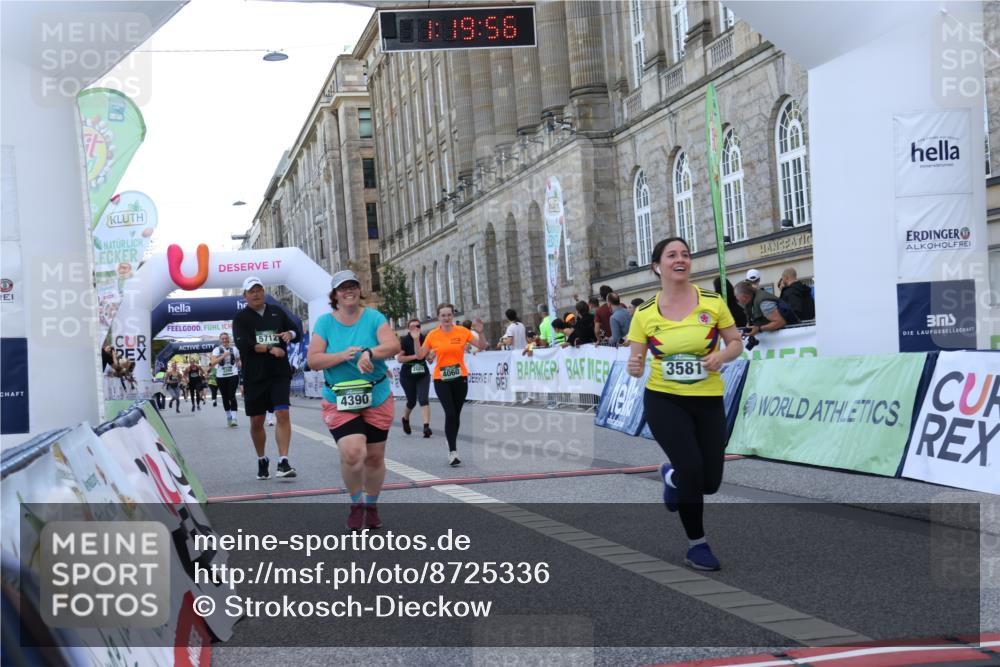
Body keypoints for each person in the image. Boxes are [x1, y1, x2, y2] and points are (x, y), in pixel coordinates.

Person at [627, 237, 743, 571]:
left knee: (709, 483)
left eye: (685, 255)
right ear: (657, 266)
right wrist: (634, 366)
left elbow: (736, 342)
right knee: (693, 468)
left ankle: (673, 478)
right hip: (664, 400)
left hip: (707, 400)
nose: (681, 260)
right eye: (672, 255)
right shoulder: (644, 313)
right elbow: (635, 360)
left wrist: (722, 354)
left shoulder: (713, 302)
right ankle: (697, 545)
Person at [308, 270, 401, 531]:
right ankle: (356, 503)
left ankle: (371, 505)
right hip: (339, 397)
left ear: (360, 291)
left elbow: (393, 346)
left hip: (376, 394)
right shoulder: (325, 323)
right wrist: (342, 355)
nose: (348, 291)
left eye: (353, 286)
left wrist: (370, 352)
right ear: (335, 295)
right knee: (352, 453)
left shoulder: (373, 317)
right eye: (342, 288)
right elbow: (314, 360)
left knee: (374, 457)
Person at [232, 276, 302, 481]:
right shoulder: (241, 318)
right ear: (245, 295)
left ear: (264, 291)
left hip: (279, 373)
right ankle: (262, 459)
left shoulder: (276, 311)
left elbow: (296, 330)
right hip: (255, 376)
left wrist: (289, 333)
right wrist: (271, 348)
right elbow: (243, 343)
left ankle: (283, 461)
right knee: (257, 421)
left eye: (259, 289)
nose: (256, 293)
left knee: (282, 413)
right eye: (251, 291)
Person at [417, 303, 488, 466]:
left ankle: (450, 441)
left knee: (456, 415)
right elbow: (421, 355)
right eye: (443, 315)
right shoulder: (433, 335)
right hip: (441, 379)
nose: (446, 318)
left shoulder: (462, 331)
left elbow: (482, 346)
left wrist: (480, 333)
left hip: (460, 377)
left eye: (449, 315)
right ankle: (453, 451)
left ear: (453, 316)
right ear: (438, 317)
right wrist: (416, 339)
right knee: (449, 414)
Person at [396, 318, 432, 438]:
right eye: (412, 327)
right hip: (407, 375)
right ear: (408, 328)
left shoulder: (424, 338)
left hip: (423, 374)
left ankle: (426, 426)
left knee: (423, 399)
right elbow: (400, 358)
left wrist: (429, 357)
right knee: (411, 401)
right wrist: (415, 356)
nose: (415, 328)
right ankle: (405, 419)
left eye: (417, 326)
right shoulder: (405, 340)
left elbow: (428, 354)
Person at [211, 332, 242, 428]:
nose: (225, 340)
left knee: (232, 395)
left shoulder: (235, 349)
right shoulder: (216, 350)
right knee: (225, 397)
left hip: (233, 374)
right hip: (221, 376)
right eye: (223, 338)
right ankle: (229, 416)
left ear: (229, 339)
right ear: (220, 340)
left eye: (226, 338)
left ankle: (234, 418)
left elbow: (238, 360)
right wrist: (223, 356)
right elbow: (212, 363)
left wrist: (240, 363)